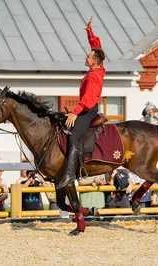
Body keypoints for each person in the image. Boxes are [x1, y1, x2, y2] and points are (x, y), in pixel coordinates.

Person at [57, 17, 106, 189]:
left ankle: (71, 172)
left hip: (89, 110)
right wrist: (89, 32)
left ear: (94, 61)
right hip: (88, 108)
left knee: (73, 134)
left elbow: (88, 100)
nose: (86, 57)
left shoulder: (93, 76)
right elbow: (96, 47)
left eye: (88, 57)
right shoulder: (99, 68)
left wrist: (75, 112)